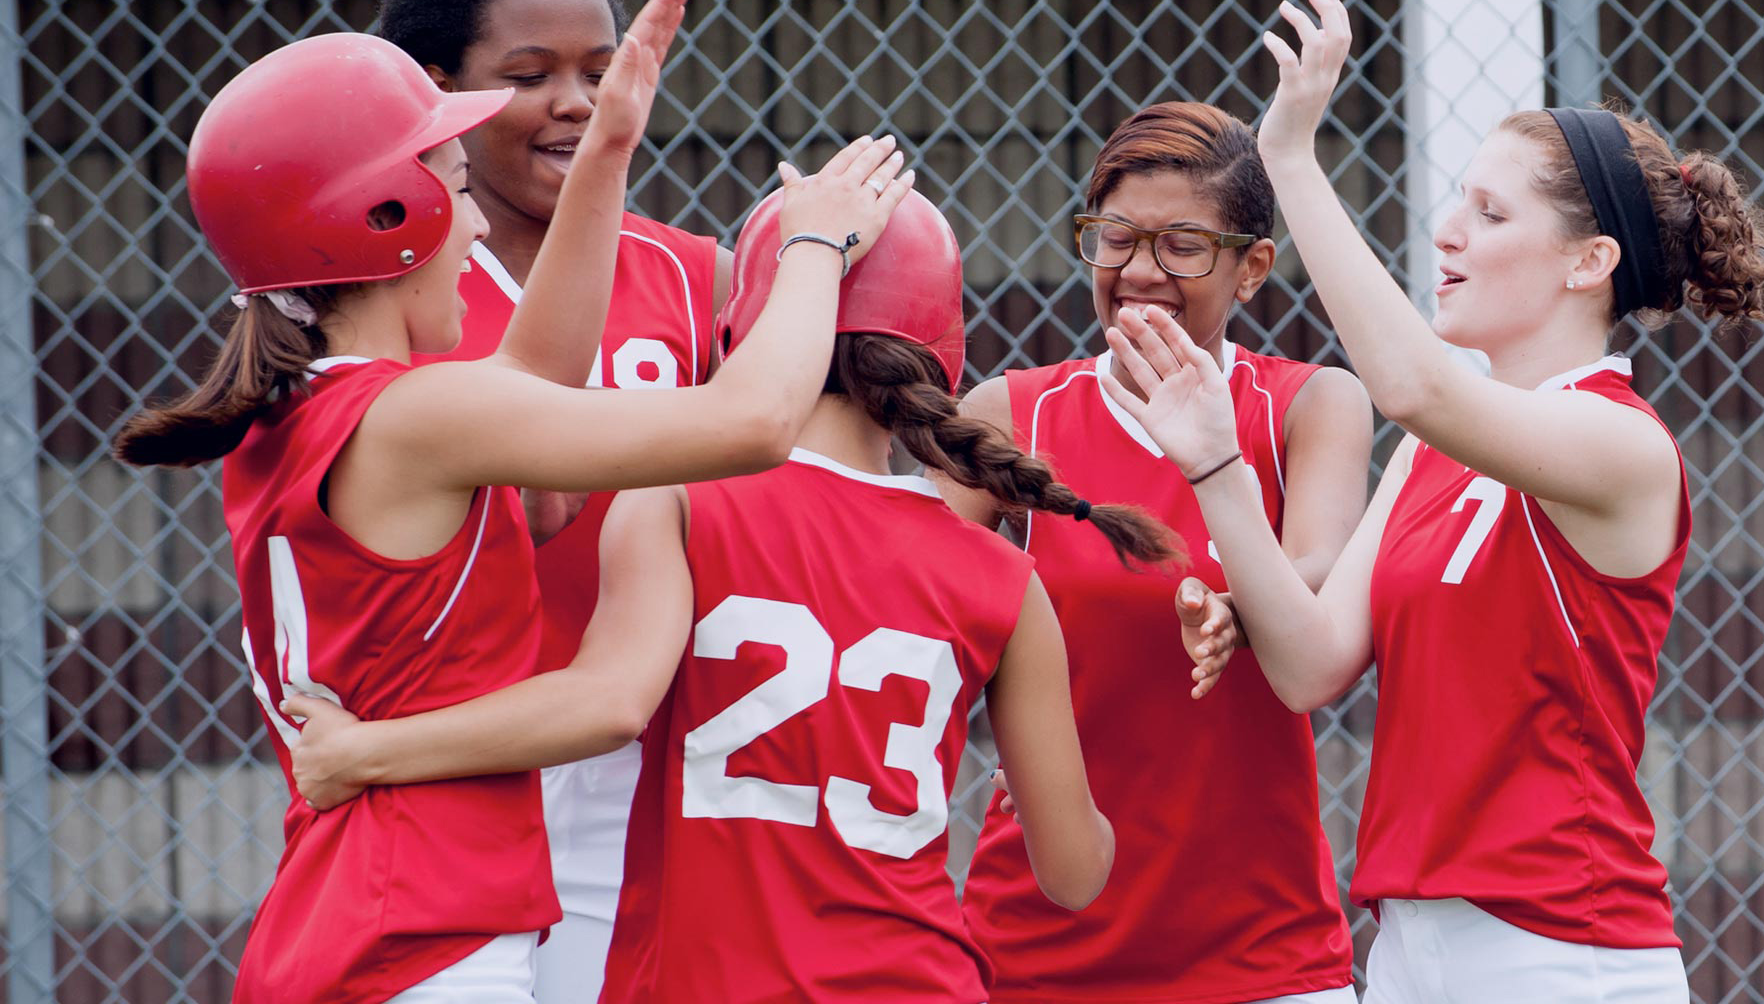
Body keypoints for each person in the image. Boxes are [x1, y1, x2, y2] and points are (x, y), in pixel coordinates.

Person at [113, 0, 916, 1000]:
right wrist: (813, 244)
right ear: (382, 215)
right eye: (451, 188)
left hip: (370, 916)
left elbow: (536, 378)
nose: (480, 233)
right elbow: (752, 423)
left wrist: (610, 151)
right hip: (419, 937)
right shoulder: (414, 417)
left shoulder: (316, 407)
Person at [277, 188, 1168, 1002]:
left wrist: (366, 752)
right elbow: (1076, 875)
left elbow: (607, 701)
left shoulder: (679, 498)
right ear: (938, 355)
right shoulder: (998, 574)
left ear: (748, 327)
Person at [1101, 0, 1764, 1002]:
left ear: (1590, 264)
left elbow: (1412, 386)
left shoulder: (1620, 444)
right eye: (1458, 199)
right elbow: (1310, 666)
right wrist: (1217, 471)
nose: (1449, 232)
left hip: (1561, 950)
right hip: (1412, 949)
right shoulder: (1436, 456)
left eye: (1490, 213)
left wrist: (1291, 156)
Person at [951, 101, 1373, 1003]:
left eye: (1183, 246)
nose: (1140, 272)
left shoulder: (1307, 404)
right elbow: (906, 600)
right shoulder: (1014, 415)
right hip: (1035, 947)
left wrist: (1241, 608)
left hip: (1263, 953)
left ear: (1252, 266)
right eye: (1115, 238)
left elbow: (1317, 572)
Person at [377, 0, 734, 994]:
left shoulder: (694, 277)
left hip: (665, 762)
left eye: (599, 68)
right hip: (470, 757)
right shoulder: (396, 294)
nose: (577, 102)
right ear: (438, 93)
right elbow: (526, 502)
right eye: (528, 77)